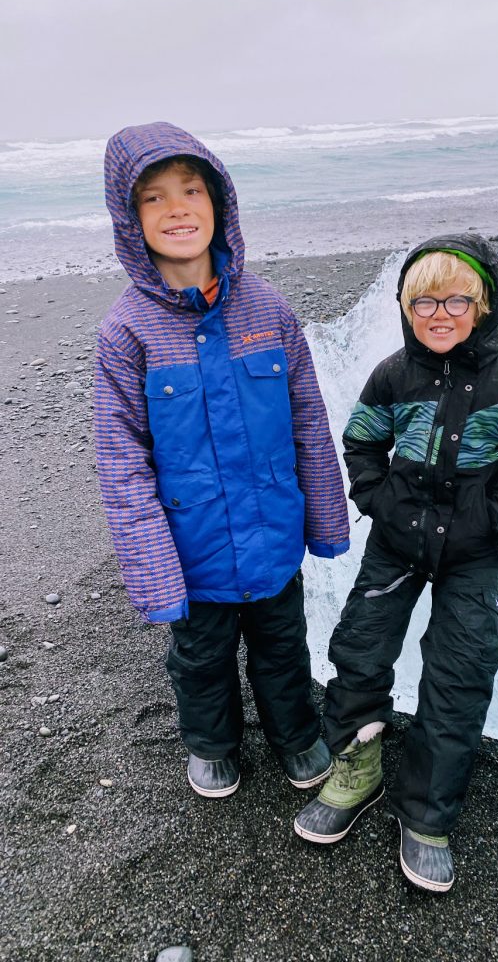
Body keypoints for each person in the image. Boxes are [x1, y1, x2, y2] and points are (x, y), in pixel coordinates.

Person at [294, 234, 498, 892]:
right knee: (360, 645)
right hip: (399, 540)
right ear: (406, 309)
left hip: (475, 553)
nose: (439, 315)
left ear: (486, 304)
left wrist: (494, 523)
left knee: (460, 667)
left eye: (455, 300)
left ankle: (428, 813)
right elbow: (362, 442)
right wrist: (380, 501)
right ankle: (358, 769)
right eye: (423, 303)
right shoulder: (392, 375)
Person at [94, 122, 349, 799]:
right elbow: (122, 464)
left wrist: (325, 521)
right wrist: (152, 571)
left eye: (192, 189)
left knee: (282, 646)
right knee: (200, 659)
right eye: (154, 198)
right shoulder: (126, 332)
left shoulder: (268, 309)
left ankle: (295, 734)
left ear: (221, 203)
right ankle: (211, 745)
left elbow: (309, 425)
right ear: (129, 218)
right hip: (192, 544)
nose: (177, 209)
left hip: (271, 531)